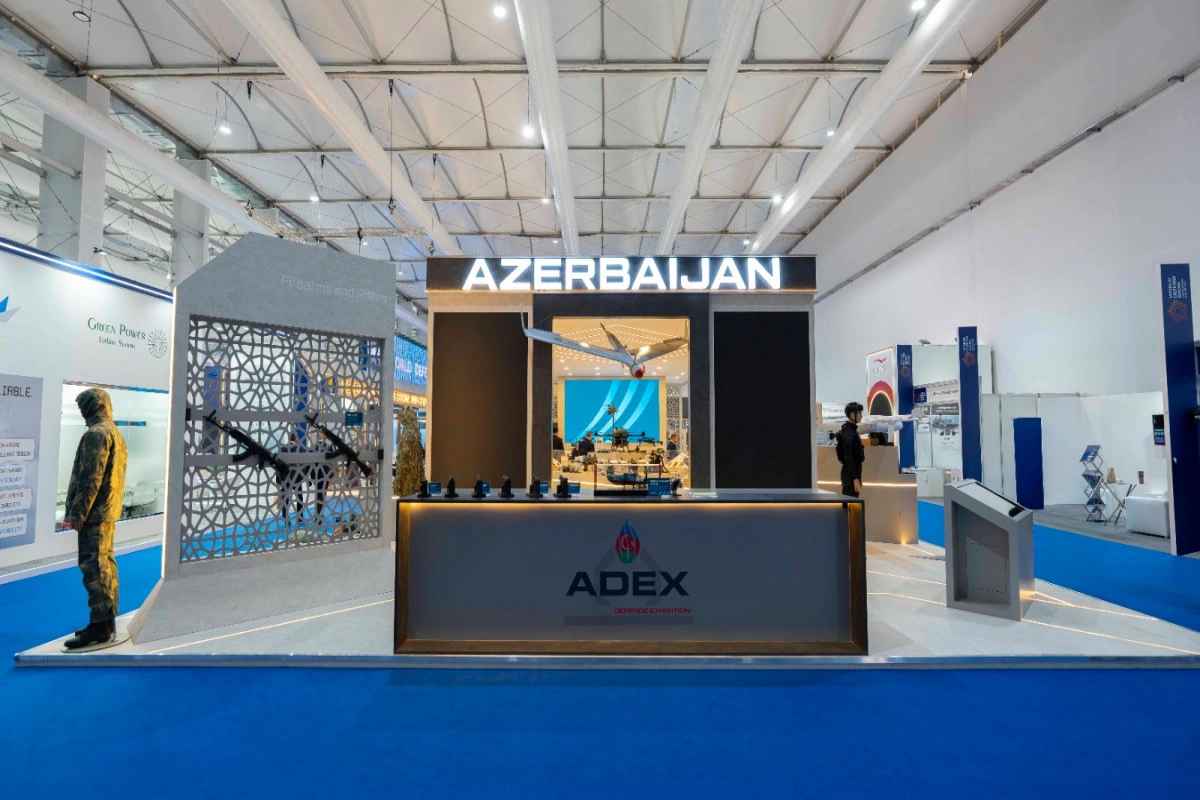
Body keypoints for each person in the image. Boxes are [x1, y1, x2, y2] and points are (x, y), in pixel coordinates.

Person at [61, 388, 128, 650]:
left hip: (94, 513)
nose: (82, 412)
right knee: (105, 564)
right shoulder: (114, 432)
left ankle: (100, 627)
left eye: (83, 406)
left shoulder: (96, 434)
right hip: (107, 511)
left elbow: (91, 477)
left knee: (94, 567)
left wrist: (79, 512)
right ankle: (106, 621)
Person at [836, 401, 866, 498]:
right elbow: (848, 457)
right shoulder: (849, 432)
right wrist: (855, 478)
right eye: (859, 413)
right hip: (850, 476)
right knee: (851, 502)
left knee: (852, 501)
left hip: (852, 473)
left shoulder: (851, 430)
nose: (861, 416)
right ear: (852, 414)